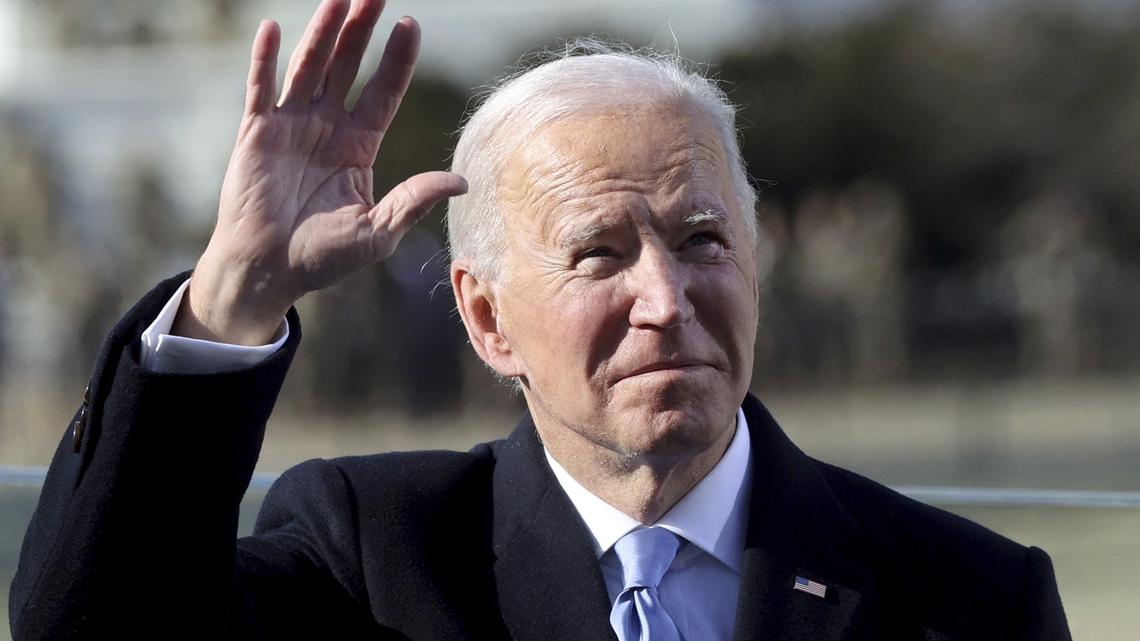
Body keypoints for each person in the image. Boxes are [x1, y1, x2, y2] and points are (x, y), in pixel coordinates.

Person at [10, 1, 1071, 639]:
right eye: (599, 253)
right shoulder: (376, 556)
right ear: (487, 319)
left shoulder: (969, 595)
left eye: (704, 240)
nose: (666, 299)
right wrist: (232, 297)